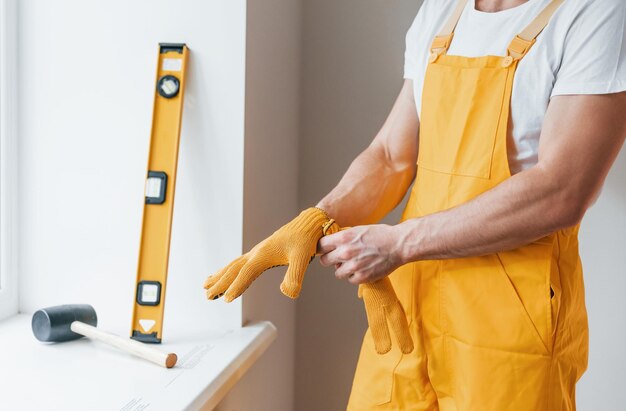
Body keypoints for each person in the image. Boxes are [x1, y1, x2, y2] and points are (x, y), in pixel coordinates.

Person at [205, 0, 626, 408]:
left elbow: (562, 189)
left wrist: (397, 244)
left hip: (512, 322)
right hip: (408, 313)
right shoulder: (442, 11)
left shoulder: (594, 11)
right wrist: (319, 217)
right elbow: (391, 156)